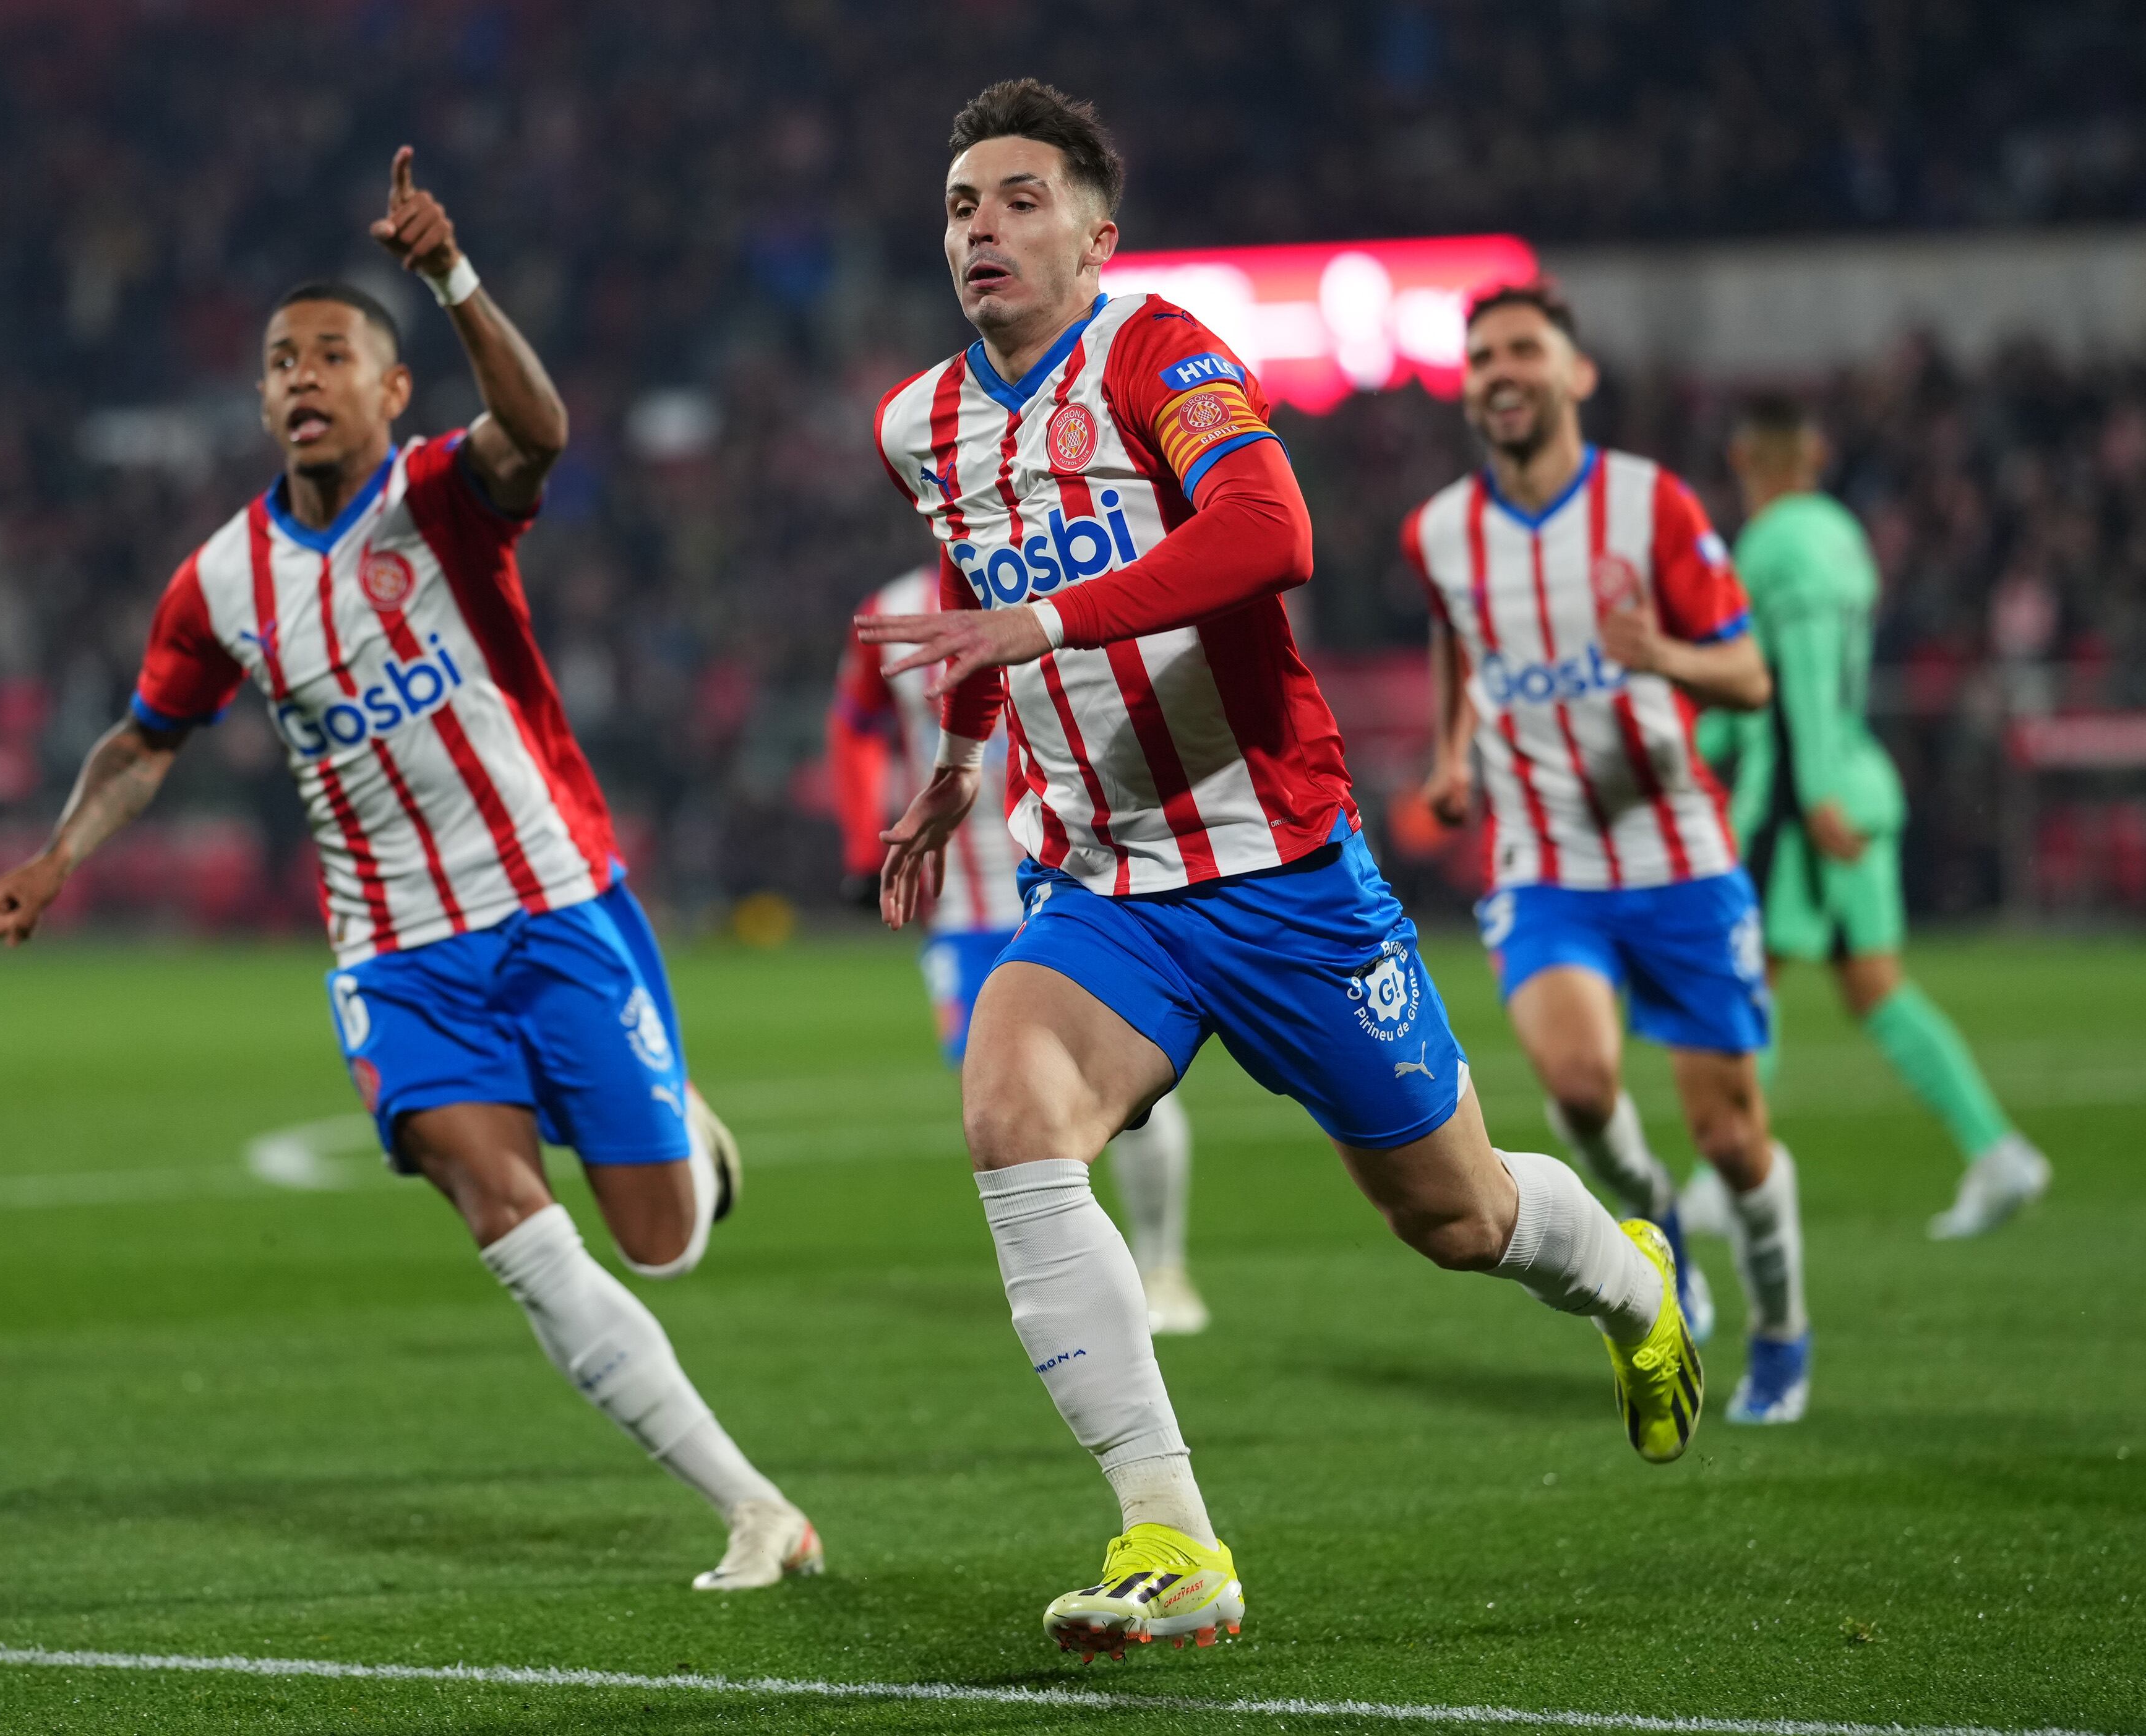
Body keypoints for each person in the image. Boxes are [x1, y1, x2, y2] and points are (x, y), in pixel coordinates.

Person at [857, 79, 1702, 1662]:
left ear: (1097, 237)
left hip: (1277, 869)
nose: (982, 227)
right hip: (1101, 880)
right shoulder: (919, 424)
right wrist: (964, 758)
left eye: (1022, 199)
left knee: (1456, 1215)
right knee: (1011, 1116)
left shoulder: (1160, 355)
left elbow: (1270, 531)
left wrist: (1046, 619)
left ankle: (1631, 1281)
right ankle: (1171, 1535)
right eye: (963, 204)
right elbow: (980, 585)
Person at [0, 147, 819, 1592]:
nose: (300, 377)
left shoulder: (440, 497)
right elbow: (145, 739)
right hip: (396, 954)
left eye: (330, 355)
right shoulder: (220, 580)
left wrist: (452, 277)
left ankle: (683, 1127)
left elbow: (539, 430)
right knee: (508, 1223)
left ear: (390, 387)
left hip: (551, 903)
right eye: (279, 362)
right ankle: (756, 1507)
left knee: (661, 1240)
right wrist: (55, 855)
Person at [1407, 281, 1813, 1427]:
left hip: (1677, 856)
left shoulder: (1650, 505)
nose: (1499, 371)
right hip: (1543, 863)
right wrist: (1450, 753)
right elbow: (1454, 637)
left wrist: (1663, 658)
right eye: (1481, 355)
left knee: (1731, 1137)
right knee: (1579, 1089)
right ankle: (1655, 1222)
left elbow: (1749, 676)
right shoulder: (1439, 531)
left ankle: (1780, 1327)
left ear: (1573, 374)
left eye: (1522, 350)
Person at [1697, 394, 2049, 1240]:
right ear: (1815, 457)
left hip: (1802, 798)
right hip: (1860, 778)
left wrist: (1811, 787)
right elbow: (1778, 684)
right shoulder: (1843, 537)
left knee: (1747, 977)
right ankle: (1998, 1150)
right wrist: (1693, 744)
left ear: (1744, 461)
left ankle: (1733, 1177)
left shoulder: (1774, 541)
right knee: (1874, 987)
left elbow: (1801, 672)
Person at [831, 568, 1205, 1334]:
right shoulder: (889, 612)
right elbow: (854, 721)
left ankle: (1163, 1270)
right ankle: (1087, 1290)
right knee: (1007, 1104)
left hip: (1088, 880)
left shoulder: (1086, 573)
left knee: (1133, 1095)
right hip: (968, 907)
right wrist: (863, 838)